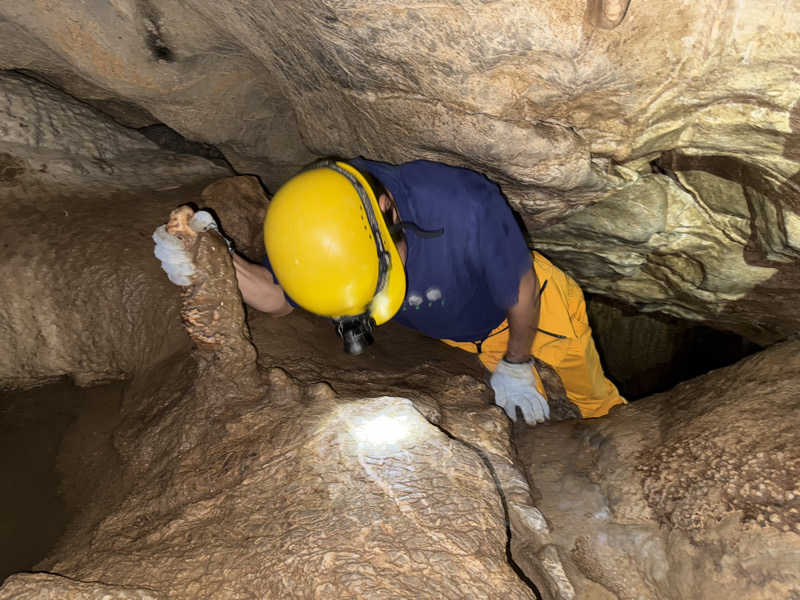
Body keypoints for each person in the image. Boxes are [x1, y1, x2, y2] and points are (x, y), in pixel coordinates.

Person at [156, 158, 626, 425]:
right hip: (460, 333)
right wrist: (213, 257)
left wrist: (518, 363)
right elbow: (278, 300)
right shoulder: (312, 224)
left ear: (388, 211)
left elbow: (521, 287)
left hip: (533, 307)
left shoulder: (463, 205)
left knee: (587, 392)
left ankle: (610, 423)